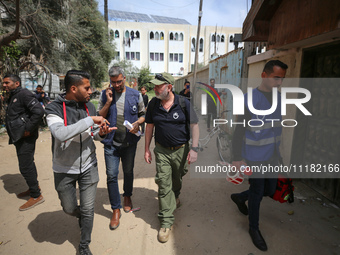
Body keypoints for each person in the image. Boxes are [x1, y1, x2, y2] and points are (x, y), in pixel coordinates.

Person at [45, 70, 115, 255]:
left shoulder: (89, 107)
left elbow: (92, 135)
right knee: (68, 208)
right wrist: (90, 120)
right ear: (73, 88)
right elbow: (60, 133)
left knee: (88, 208)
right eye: (87, 87)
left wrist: (101, 133)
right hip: (64, 169)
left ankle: (84, 246)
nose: (90, 91)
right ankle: (81, 216)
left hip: (88, 166)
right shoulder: (54, 108)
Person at [230, 60, 288, 251]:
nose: (279, 82)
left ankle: (239, 197)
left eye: (282, 79)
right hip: (254, 155)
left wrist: (278, 154)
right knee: (257, 192)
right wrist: (236, 158)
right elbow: (239, 130)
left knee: (270, 190)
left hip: (271, 154)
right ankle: (253, 228)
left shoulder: (279, 98)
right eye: (276, 77)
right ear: (264, 75)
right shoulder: (248, 99)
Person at [144, 72, 199, 243]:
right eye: (154, 86)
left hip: (181, 150)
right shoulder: (153, 104)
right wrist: (146, 148)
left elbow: (195, 126)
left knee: (178, 177)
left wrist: (194, 149)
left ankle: (176, 194)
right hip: (161, 151)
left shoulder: (183, 103)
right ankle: (166, 221)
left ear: (169, 87)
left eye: (158, 86)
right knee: (163, 182)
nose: (155, 89)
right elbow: (149, 127)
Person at [97, 65, 145, 230]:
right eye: (113, 82)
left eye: (118, 81)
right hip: (111, 143)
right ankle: (115, 209)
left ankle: (127, 196)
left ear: (124, 78)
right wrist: (109, 101)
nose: (116, 85)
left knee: (129, 171)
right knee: (111, 175)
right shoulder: (105, 94)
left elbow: (142, 114)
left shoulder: (135, 94)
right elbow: (99, 116)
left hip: (129, 143)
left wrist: (138, 124)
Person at [3, 74, 45, 211]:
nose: (4, 85)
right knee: (28, 164)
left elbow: (38, 111)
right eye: (3, 83)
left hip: (26, 137)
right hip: (18, 136)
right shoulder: (13, 95)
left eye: (7, 82)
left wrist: (28, 129)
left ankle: (36, 195)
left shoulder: (24, 94)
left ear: (16, 83)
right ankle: (34, 186)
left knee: (25, 166)